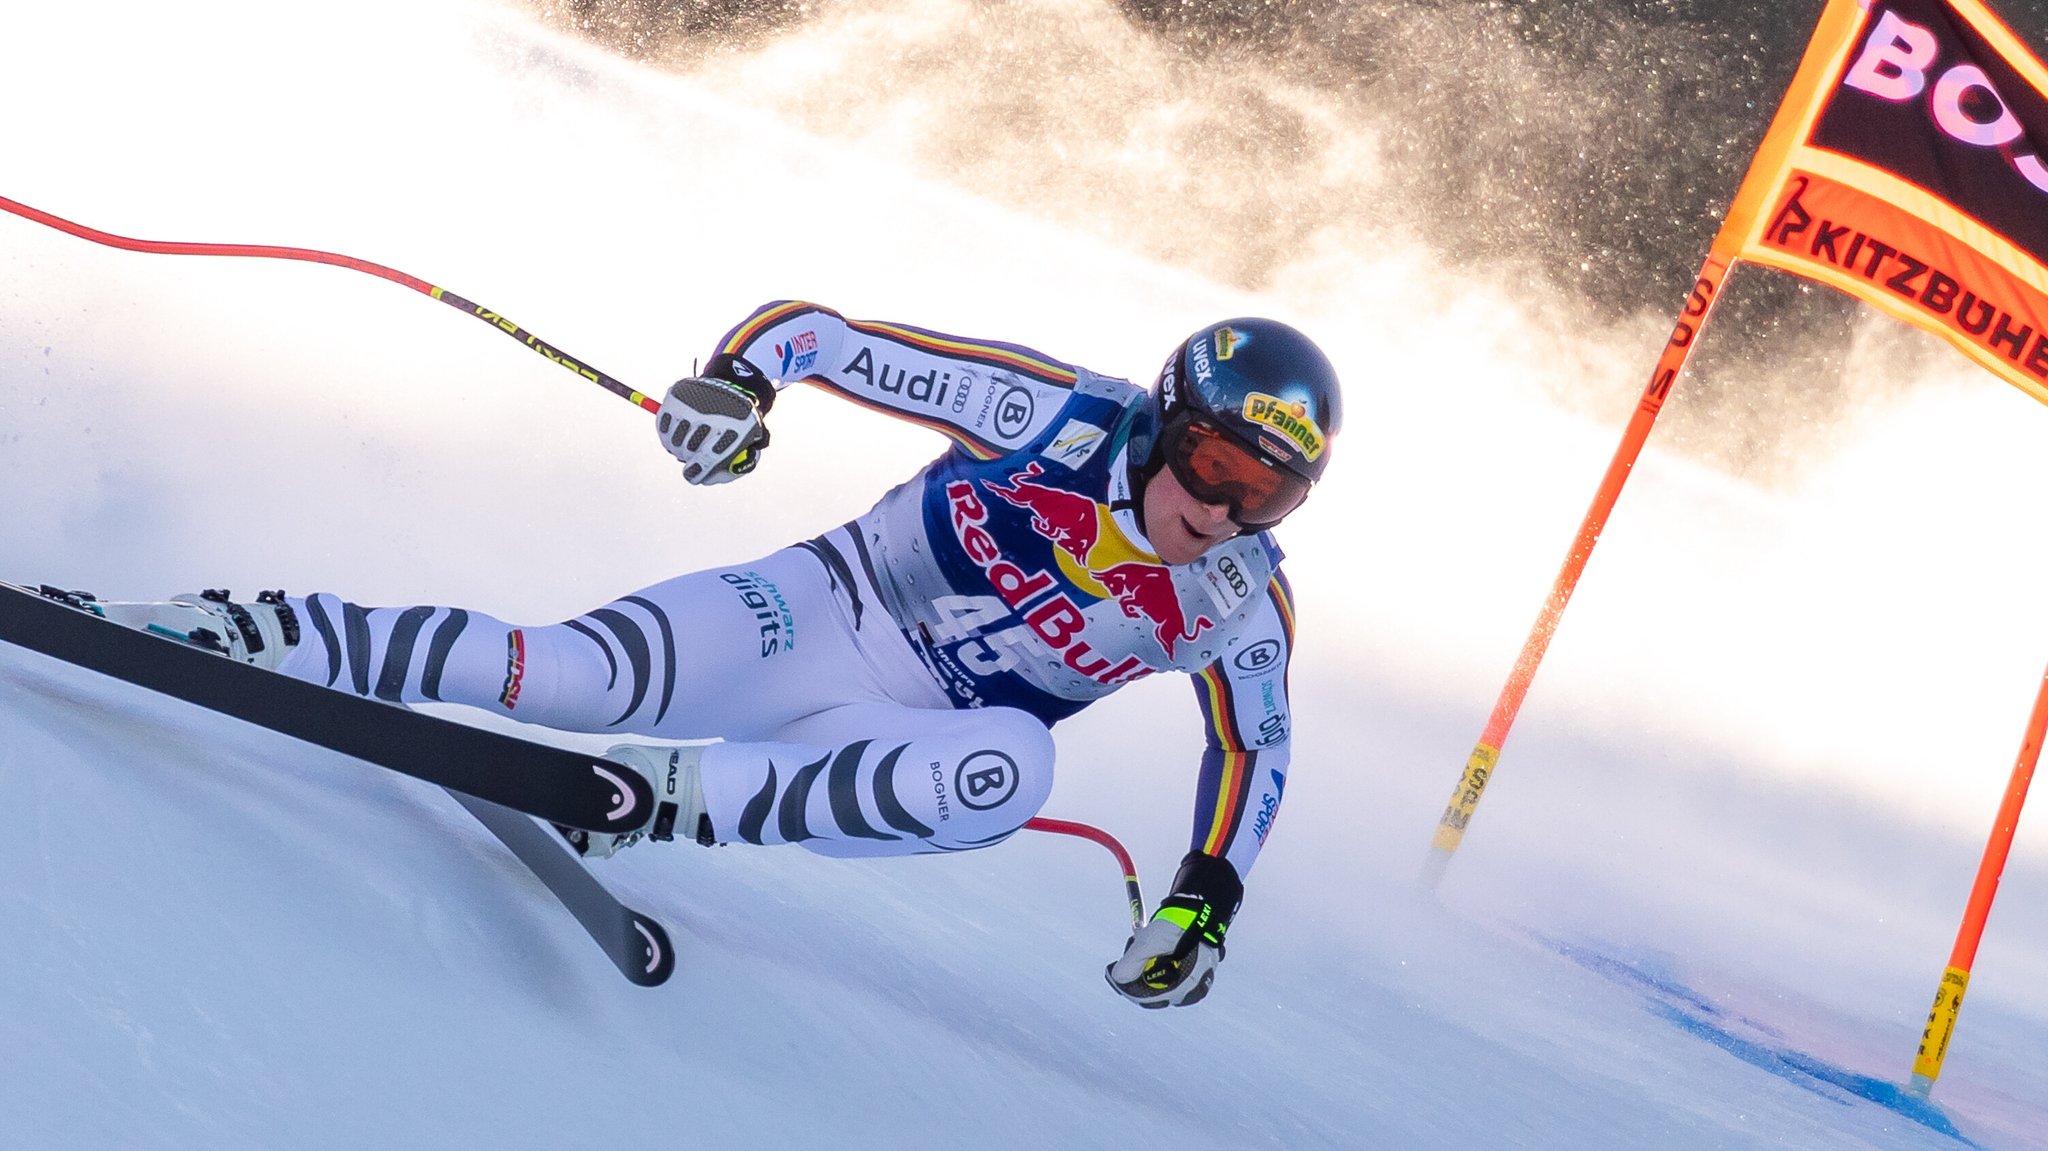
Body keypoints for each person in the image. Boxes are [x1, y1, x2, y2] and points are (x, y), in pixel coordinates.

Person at [159, 302, 1342, 1008]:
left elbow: (1254, 746)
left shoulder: (1239, 599)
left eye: (1267, 493)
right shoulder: (1049, 412)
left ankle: (650, 797)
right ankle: (254, 627)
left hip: (890, 749)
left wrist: (1206, 899)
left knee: (1009, 769)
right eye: (1212, 466)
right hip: (818, 607)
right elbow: (815, 336)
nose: (1224, 511)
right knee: (566, 674)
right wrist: (736, 390)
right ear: (1161, 420)